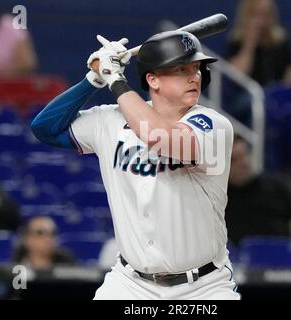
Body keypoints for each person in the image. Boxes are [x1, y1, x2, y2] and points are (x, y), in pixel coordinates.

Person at [31, 30, 240, 299]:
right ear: (152, 79)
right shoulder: (110, 120)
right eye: (180, 69)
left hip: (204, 286)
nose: (193, 77)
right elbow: (44, 128)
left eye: (197, 69)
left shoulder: (213, 125)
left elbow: (158, 137)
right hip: (131, 284)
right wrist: (92, 79)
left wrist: (115, 80)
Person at [226, 135, 291, 246]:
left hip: (279, 258)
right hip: (233, 260)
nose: (243, 163)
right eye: (234, 159)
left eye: (244, 155)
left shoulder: (275, 186)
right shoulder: (217, 197)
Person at [226, 0, 291, 87]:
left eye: (266, 15)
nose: (262, 21)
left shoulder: (281, 41)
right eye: (257, 15)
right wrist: (249, 44)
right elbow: (237, 76)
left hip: (275, 94)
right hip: (248, 95)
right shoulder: (236, 42)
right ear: (246, 16)